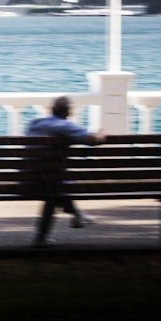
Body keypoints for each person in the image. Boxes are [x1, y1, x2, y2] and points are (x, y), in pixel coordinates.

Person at [25, 95, 106, 247]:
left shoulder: (34, 123)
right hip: (51, 183)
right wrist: (102, 134)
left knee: (54, 189)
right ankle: (76, 214)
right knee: (56, 189)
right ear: (68, 113)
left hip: (28, 180)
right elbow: (92, 140)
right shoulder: (67, 126)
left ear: (51, 110)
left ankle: (72, 218)